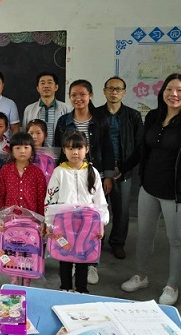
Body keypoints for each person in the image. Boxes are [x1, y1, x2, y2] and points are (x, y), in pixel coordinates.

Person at [118, 74, 181, 306]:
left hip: (179, 193)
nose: (173, 94)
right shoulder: (154, 116)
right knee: (144, 235)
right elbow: (141, 149)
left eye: (180, 90)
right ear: (162, 92)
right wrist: (122, 168)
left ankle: (172, 285)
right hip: (150, 188)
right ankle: (141, 275)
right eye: (169, 89)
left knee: (177, 239)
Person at [54, 79, 115, 285]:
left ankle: (91, 264)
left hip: (92, 174)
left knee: (91, 223)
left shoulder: (100, 119)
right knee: (70, 225)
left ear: (90, 96)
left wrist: (107, 175)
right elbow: (58, 148)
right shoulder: (64, 121)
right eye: (73, 95)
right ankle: (72, 259)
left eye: (82, 94)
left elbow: (107, 147)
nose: (78, 98)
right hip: (69, 173)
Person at [45, 130, 109, 293]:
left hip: (87, 225)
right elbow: (50, 199)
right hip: (63, 224)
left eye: (79, 148)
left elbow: (100, 201)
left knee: (83, 256)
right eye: (70, 148)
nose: (75, 152)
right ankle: (65, 287)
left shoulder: (92, 172)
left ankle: (81, 290)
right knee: (64, 256)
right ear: (64, 150)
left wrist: (101, 223)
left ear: (86, 149)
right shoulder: (59, 172)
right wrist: (49, 223)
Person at [96, 77, 144, 259]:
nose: (114, 92)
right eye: (110, 88)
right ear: (104, 91)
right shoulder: (96, 114)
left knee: (121, 209)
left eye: (118, 89)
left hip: (123, 169)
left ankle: (117, 243)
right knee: (97, 208)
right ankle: (96, 241)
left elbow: (139, 145)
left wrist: (123, 167)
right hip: (99, 169)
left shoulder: (133, 116)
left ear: (124, 92)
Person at [0, 132, 47, 286]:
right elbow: (1, 196)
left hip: (31, 223)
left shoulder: (37, 173)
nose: (22, 151)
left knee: (28, 253)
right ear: (11, 150)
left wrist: (42, 222)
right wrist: (0, 218)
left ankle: (26, 285)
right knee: (12, 251)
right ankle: (13, 283)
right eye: (18, 148)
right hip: (10, 222)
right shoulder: (5, 170)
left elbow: (41, 199)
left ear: (32, 149)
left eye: (26, 147)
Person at [23, 72, 70, 147]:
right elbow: (25, 134)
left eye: (49, 82)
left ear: (56, 87)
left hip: (59, 150)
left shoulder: (66, 108)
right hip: (36, 152)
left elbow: (69, 133)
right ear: (38, 88)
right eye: (42, 83)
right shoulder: (29, 109)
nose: (46, 86)